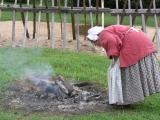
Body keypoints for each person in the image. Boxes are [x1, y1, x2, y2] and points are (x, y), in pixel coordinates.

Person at [86, 25, 160, 105]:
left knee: (125, 69)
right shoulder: (106, 32)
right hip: (141, 41)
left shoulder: (103, 35)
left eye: (93, 42)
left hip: (135, 44)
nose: (95, 45)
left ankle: (126, 99)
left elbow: (112, 42)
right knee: (124, 67)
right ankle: (127, 98)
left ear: (95, 38)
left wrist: (115, 61)